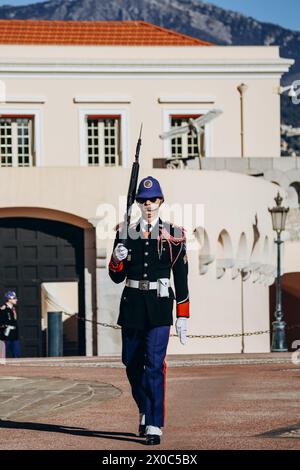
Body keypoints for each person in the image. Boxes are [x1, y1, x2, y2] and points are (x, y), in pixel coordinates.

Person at [108, 176, 189, 446]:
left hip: (159, 306)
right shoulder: (124, 232)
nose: (148, 205)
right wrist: (116, 260)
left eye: (153, 200)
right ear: (138, 204)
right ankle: (144, 407)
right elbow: (115, 277)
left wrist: (183, 315)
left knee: (154, 365)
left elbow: (181, 276)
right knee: (131, 364)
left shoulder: (174, 234)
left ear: (161, 201)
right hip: (132, 305)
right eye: (143, 201)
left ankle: (154, 423)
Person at [0, 291, 21, 358]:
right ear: (9, 299)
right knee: (4, 355)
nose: (16, 299)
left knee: (17, 354)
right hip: (6, 335)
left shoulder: (13, 309)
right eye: (14, 298)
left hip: (14, 335)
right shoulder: (3, 309)